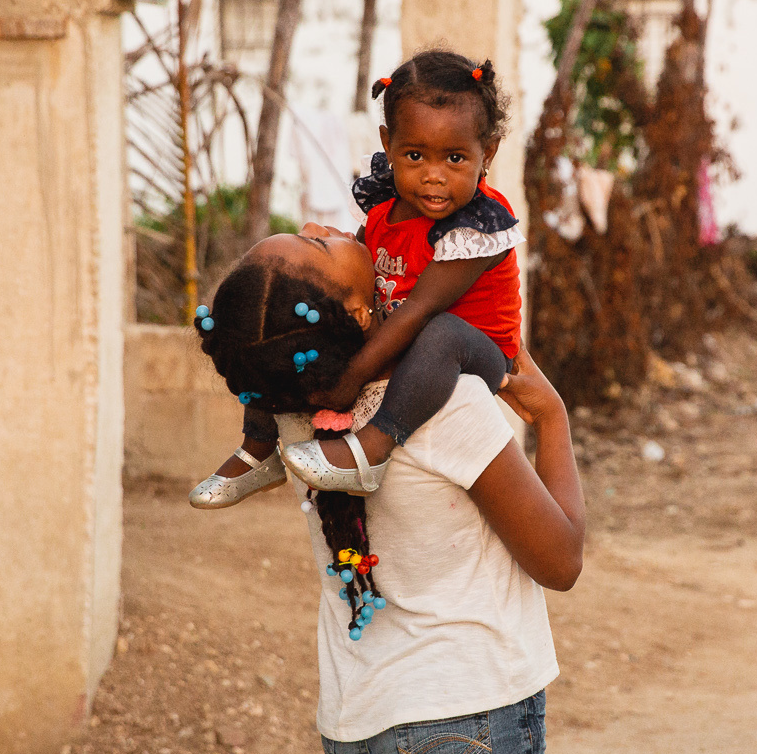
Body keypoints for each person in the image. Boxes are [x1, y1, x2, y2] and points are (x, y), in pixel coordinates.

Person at [193, 225, 584, 754]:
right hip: (464, 722)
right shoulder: (442, 402)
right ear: (362, 311)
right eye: (316, 238)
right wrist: (555, 419)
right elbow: (561, 558)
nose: (330, 223)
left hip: (360, 732)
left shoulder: (293, 408)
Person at [188, 49, 521, 508]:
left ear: (490, 152)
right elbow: (363, 260)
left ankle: (374, 448)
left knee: (441, 332)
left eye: (456, 159)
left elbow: (423, 309)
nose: (433, 177)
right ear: (388, 144)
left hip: (471, 351)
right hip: (401, 332)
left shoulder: (476, 226)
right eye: (416, 155)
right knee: (286, 323)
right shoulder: (388, 204)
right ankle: (260, 448)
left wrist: (351, 380)